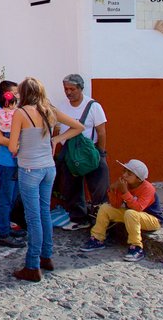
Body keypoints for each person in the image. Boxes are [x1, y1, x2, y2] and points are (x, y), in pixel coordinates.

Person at [8, 77, 85, 282]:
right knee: (44, 213)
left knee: (33, 218)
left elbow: (13, 147)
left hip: (30, 169)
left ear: (24, 93)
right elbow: (79, 126)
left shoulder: (21, 113)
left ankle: (32, 265)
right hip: (48, 169)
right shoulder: (49, 110)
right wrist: (56, 140)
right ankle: (46, 256)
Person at [55, 73, 110, 230]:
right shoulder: (63, 106)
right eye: (66, 89)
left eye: (72, 89)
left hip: (89, 152)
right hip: (69, 153)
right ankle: (79, 218)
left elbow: (101, 132)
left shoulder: (93, 106)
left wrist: (101, 153)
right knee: (70, 187)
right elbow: (58, 127)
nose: (68, 92)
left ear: (80, 88)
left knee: (98, 187)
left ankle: (100, 221)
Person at [81, 159, 163, 262]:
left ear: (138, 179)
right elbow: (115, 205)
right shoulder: (124, 184)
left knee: (131, 213)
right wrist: (113, 190)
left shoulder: (148, 188)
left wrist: (124, 191)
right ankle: (97, 238)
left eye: (129, 174)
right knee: (105, 208)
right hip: (131, 216)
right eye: (124, 171)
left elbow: (138, 208)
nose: (124, 175)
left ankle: (137, 247)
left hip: (152, 219)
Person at [0, 80, 25, 248]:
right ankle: (3, 233)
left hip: (19, 160)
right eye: (15, 93)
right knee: (5, 197)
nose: (18, 96)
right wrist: (17, 144)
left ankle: (8, 226)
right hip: (7, 161)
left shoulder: (16, 111)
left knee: (13, 196)